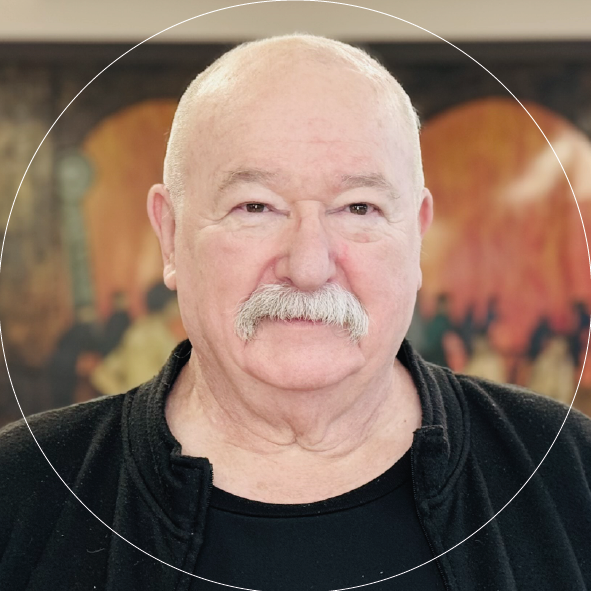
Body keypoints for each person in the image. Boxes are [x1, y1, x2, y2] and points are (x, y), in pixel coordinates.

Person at [1, 34, 590, 591]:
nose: (308, 267)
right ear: (171, 234)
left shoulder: (572, 474)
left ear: (416, 236)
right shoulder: (19, 490)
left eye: (358, 208)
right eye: (255, 206)